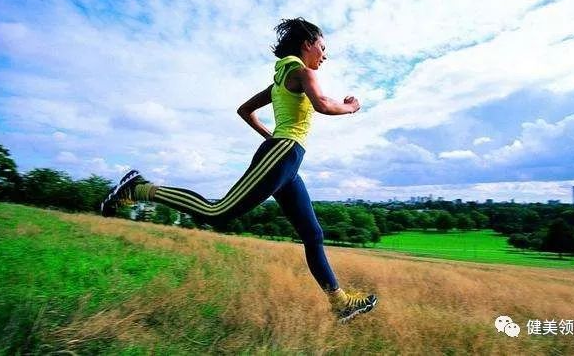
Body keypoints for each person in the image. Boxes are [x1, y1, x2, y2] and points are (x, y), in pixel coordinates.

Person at [101, 17, 377, 323]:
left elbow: (244, 110)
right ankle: (137, 187)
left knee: (312, 234)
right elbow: (323, 104)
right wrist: (351, 107)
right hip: (283, 154)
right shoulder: (302, 71)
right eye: (322, 48)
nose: (324, 55)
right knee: (216, 213)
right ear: (307, 44)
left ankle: (340, 303)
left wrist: (271, 138)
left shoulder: (278, 82)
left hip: (285, 158)